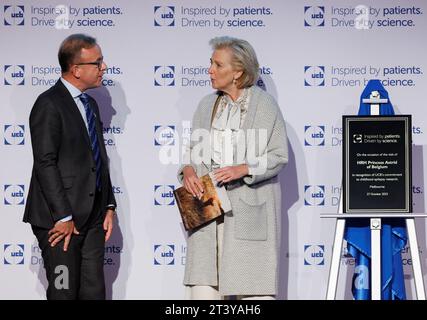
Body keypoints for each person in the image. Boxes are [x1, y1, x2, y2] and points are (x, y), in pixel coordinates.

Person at [178, 36, 288, 299]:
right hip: (208, 210)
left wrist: (245, 168)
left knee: (253, 292)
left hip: (248, 212)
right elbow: (194, 151)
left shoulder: (265, 105)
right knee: (204, 291)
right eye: (211, 63)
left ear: (238, 71)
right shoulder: (206, 105)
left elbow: (278, 155)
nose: (210, 70)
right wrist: (189, 170)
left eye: (218, 65)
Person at [23, 34, 117, 300]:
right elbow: (45, 162)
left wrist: (108, 205)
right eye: (97, 62)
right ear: (76, 70)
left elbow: (99, 158)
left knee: (94, 293)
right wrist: (63, 216)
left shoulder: (91, 105)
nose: (104, 67)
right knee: (64, 291)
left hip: (93, 219)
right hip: (59, 223)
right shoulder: (48, 104)